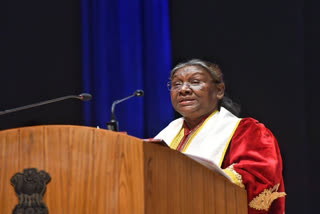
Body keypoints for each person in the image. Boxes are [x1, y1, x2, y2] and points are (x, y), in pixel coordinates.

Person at [154, 59, 286, 214]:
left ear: (219, 90)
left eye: (195, 82)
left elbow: (260, 181)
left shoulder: (246, 131)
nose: (183, 89)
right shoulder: (166, 135)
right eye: (176, 84)